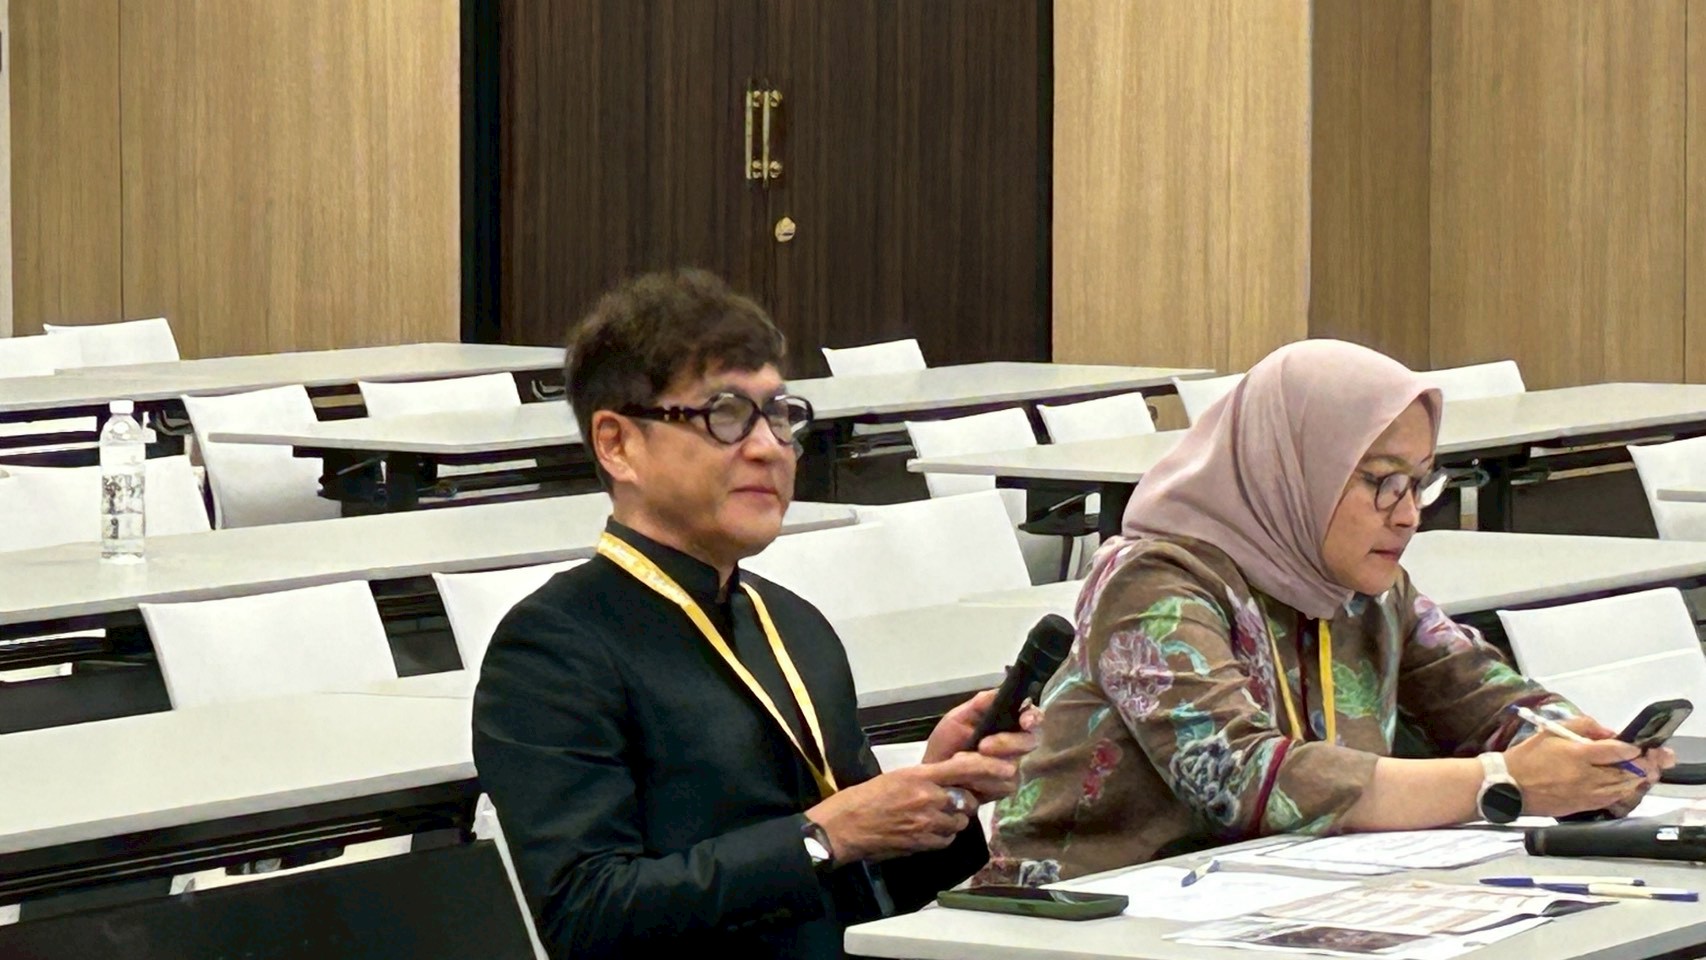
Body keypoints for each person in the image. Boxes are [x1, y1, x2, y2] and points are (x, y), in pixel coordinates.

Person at [472, 268, 1039, 958]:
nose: (768, 446)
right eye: (725, 415)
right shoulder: (555, 648)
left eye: (779, 415)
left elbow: (874, 894)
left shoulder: (794, 622)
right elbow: (584, 916)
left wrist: (939, 798)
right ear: (618, 444)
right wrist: (821, 838)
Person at [979, 339, 1675, 885]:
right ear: (1294, 468)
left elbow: (1483, 700)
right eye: (1381, 482)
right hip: (1082, 913)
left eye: (1420, 482)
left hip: (1276, 898)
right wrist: (1503, 781)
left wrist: (1583, 756)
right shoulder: (1156, 582)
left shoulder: (1366, 586)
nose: (1407, 514)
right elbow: (1235, 777)